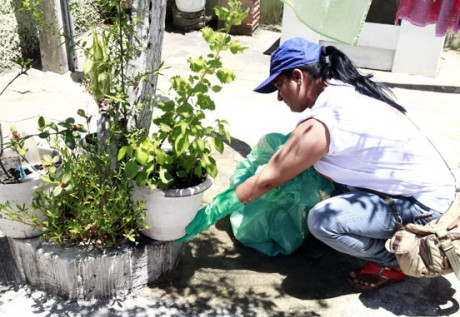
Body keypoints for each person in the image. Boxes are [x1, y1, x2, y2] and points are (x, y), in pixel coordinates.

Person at [178, 37, 456, 290]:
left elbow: (267, 180)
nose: (279, 97)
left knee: (323, 220)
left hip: (423, 204)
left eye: (278, 86)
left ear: (298, 77)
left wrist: (209, 213)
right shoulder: (344, 91)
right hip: (416, 188)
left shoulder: (324, 122)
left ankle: (402, 257)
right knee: (300, 164)